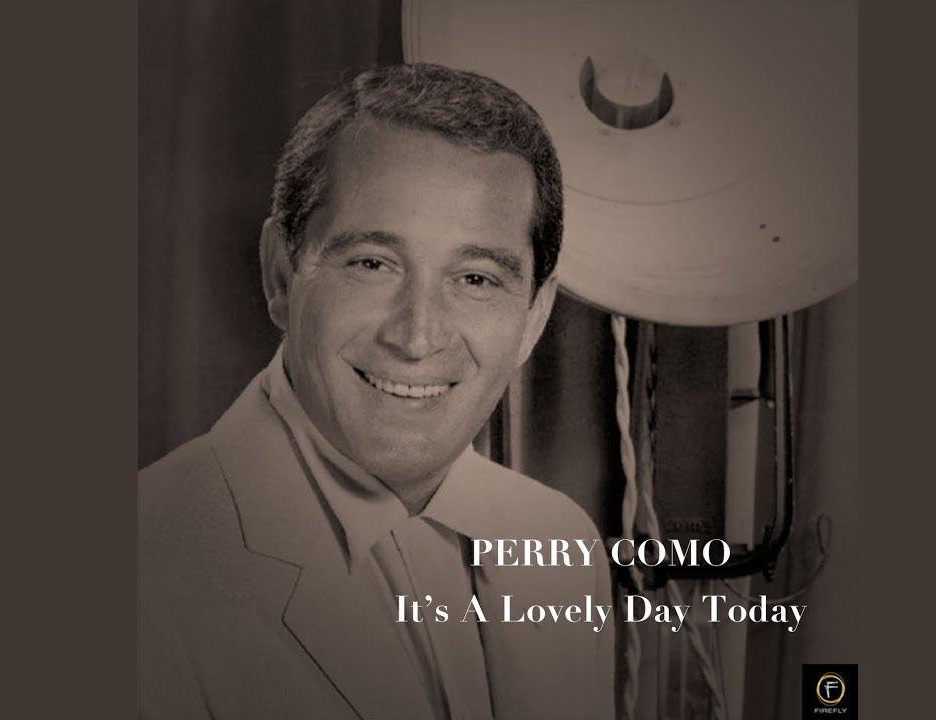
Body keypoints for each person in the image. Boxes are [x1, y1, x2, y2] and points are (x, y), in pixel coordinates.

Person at [139, 63, 616, 719]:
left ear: (534, 316)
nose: (417, 337)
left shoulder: (561, 543)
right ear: (281, 275)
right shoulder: (146, 566)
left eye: (476, 279)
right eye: (372, 263)